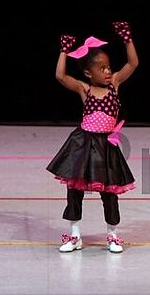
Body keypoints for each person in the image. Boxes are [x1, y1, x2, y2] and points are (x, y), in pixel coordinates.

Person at [46, 21, 139, 253]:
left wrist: (127, 39)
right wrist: (63, 51)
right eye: (102, 68)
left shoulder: (115, 85)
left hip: (106, 146)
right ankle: (75, 234)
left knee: (109, 192)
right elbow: (59, 76)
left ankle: (112, 234)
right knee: (74, 190)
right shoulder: (84, 89)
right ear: (89, 72)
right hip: (83, 144)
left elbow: (133, 63)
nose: (108, 71)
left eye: (108, 67)